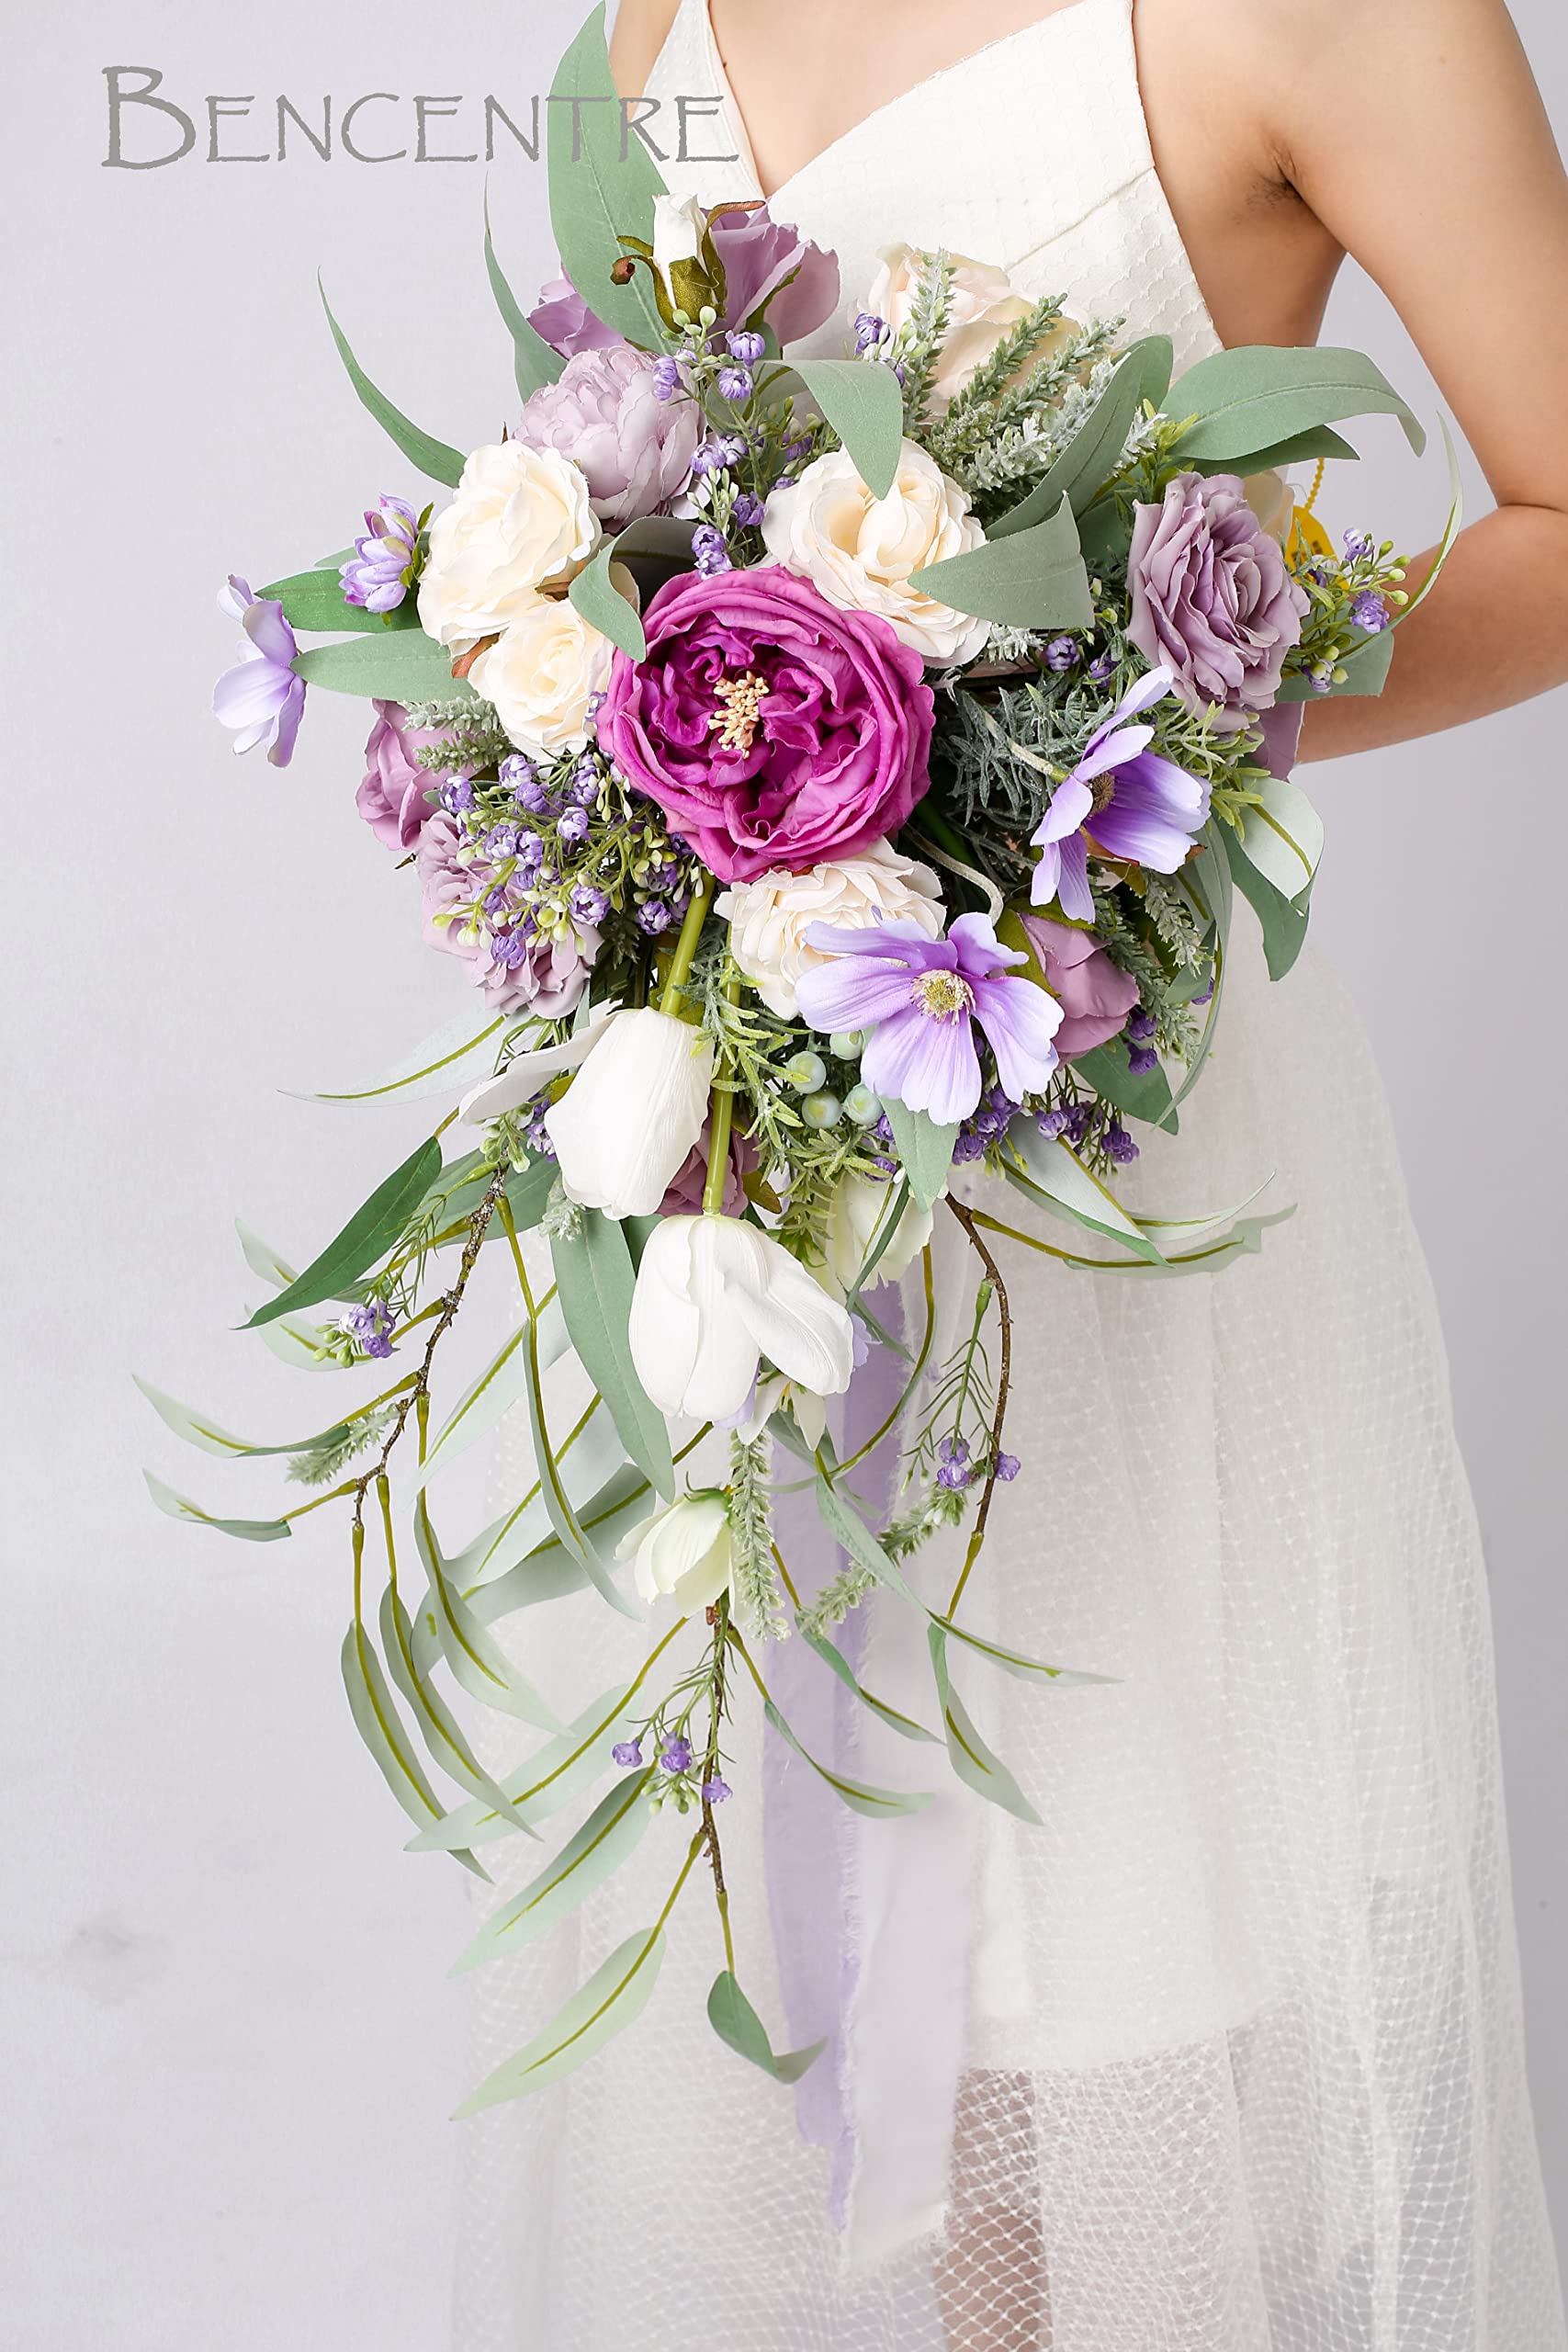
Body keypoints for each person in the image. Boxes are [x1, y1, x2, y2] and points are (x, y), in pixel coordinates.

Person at [454, 5, 1568, 2346]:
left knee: (1111, 1949)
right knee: (811, 1965)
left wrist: (1088, 719)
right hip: (745, 1146)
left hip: (1076, 1097)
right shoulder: (658, 15)